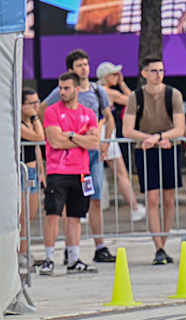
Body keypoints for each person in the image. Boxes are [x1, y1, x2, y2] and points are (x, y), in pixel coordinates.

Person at [39, 49, 117, 264]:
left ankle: (99, 246)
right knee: (62, 206)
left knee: (95, 198)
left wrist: (104, 142)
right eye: (79, 65)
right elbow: (42, 112)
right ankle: (66, 249)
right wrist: (52, 132)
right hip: (65, 159)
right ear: (71, 71)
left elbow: (107, 117)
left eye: (86, 64)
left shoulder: (96, 90)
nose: (84, 68)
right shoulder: (62, 92)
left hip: (90, 156)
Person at [122, 55, 186, 264]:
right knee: (152, 198)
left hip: (168, 148)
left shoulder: (172, 94)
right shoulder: (136, 96)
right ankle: (158, 246)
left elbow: (179, 128)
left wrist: (160, 138)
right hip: (146, 150)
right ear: (144, 74)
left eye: (161, 70)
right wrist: (149, 139)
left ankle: (163, 243)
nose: (158, 75)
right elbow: (127, 130)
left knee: (168, 198)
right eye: (154, 71)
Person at [40, 72, 100, 275]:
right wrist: (81, 138)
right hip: (58, 170)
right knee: (53, 214)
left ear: (76, 89)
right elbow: (55, 141)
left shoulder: (88, 113)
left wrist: (73, 135)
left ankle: (74, 258)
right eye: (60, 88)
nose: (62, 92)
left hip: (81, 171)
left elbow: (94, 143)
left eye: (66, 88)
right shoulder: (51, 112)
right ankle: (48, 258)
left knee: (75, 216)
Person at [96, 61, 146, 222]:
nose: (117, 77)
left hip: (94, 132)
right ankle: (134, 208)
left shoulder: (93, 90)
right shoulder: (109, 92)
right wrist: (123, 84)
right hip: (105, 133)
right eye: (114, 75)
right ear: (106, 77)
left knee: (89, 171)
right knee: (120, 173)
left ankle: (85, 211)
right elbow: (133, 100)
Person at [19, 88, 45, 268]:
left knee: (31, 214)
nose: (36, 106)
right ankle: (21, 251)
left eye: (38, 101)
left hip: (33, 170)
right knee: (23, 215)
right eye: (32, 103)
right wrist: (36, 118)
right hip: (22, 171)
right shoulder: (20, 124)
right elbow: (39, 138)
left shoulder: (32, 122)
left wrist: (42, 171)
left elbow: (38, 148)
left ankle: (25, 249)